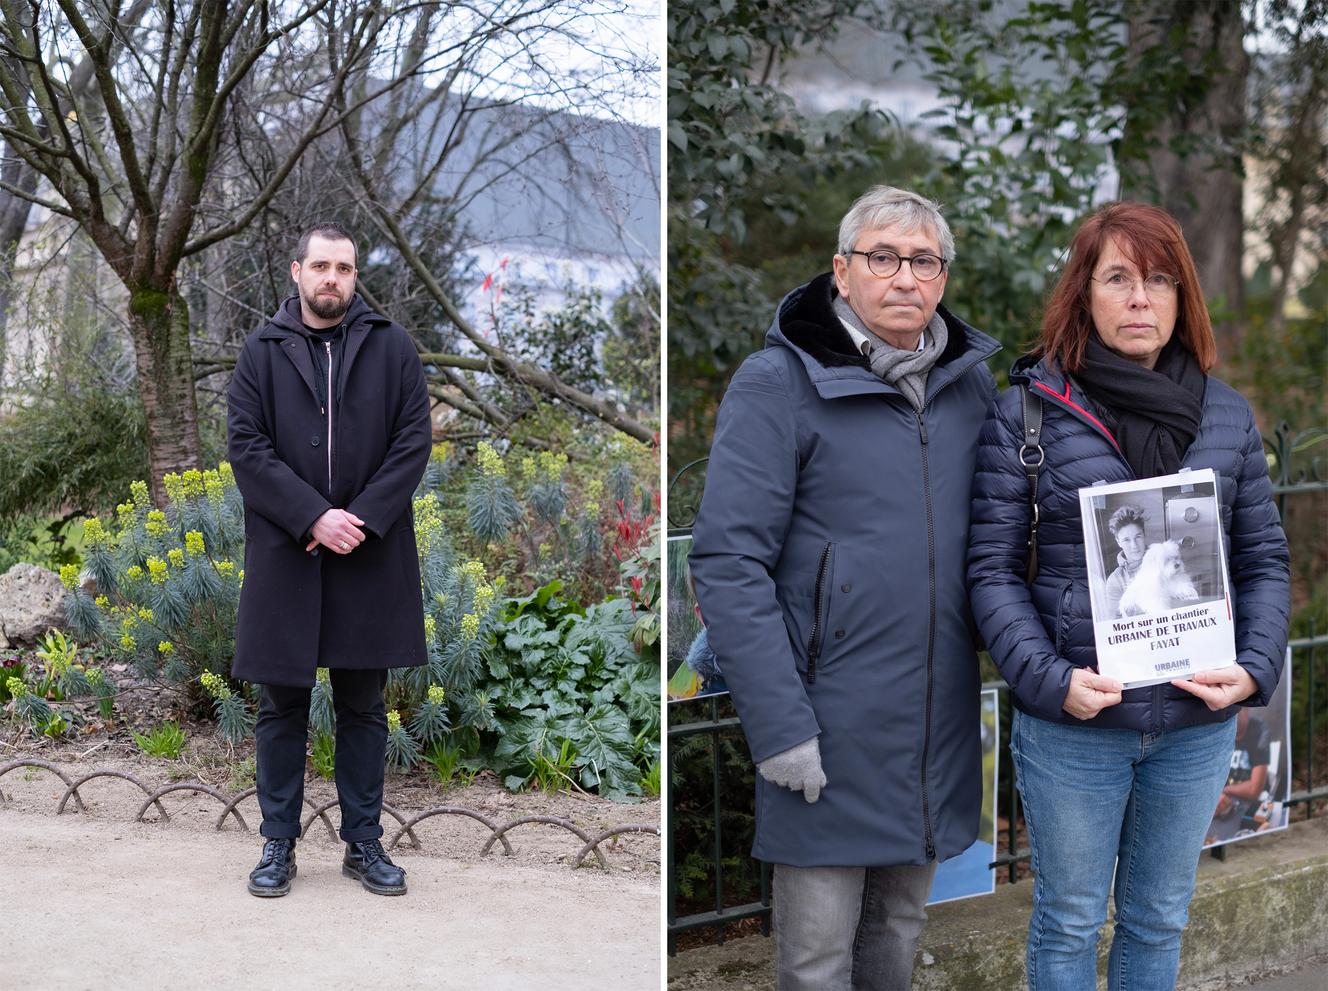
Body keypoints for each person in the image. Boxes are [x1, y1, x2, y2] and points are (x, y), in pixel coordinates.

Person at [968, 202, 1290, 989]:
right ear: (1084, 294)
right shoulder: (1029, 412)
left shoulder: (1225, 413)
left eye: (1160, 280)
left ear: (1183, 298)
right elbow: (992, 570)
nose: (1141, 298)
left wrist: (1254, 667)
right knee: (1070, 921)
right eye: (1118, 278)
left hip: (1194, 725)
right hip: (1077, 727)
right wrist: (1050, 680)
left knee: (1159, 918)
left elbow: (1262, 560)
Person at [690, 185, 1000, 990]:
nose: (904, 277)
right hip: (823, 725)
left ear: (942, 276)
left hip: (931, 726)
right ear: (842, 269)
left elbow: (1000, 543)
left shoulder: (969, 388)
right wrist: (780, 726)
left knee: (895, 935)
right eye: (883, 257)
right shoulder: (779, 382)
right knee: (817, 958)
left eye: (924, 261)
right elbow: (728, 561)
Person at [227, 222, 433, 898]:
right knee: (280, 707)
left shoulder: (392, 347)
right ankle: (277, 844)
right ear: (297, 271)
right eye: (321, 266)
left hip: (368, 554)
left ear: (354, 276)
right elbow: (247, 447)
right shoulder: (260, 351)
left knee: (364, 707)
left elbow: (412, 442)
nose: (332, 279)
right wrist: (312, 515)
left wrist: (359, 519)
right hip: (287, 554)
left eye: (343, 268)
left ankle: (363, 843)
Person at [1102, 504, 1148, 617]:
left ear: (1144, 534)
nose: (1134, 545)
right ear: (1118, 542)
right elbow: (1115, 622)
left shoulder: (1164, 560)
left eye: (1138, 537)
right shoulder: (1115, 580)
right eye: (1126, 540)